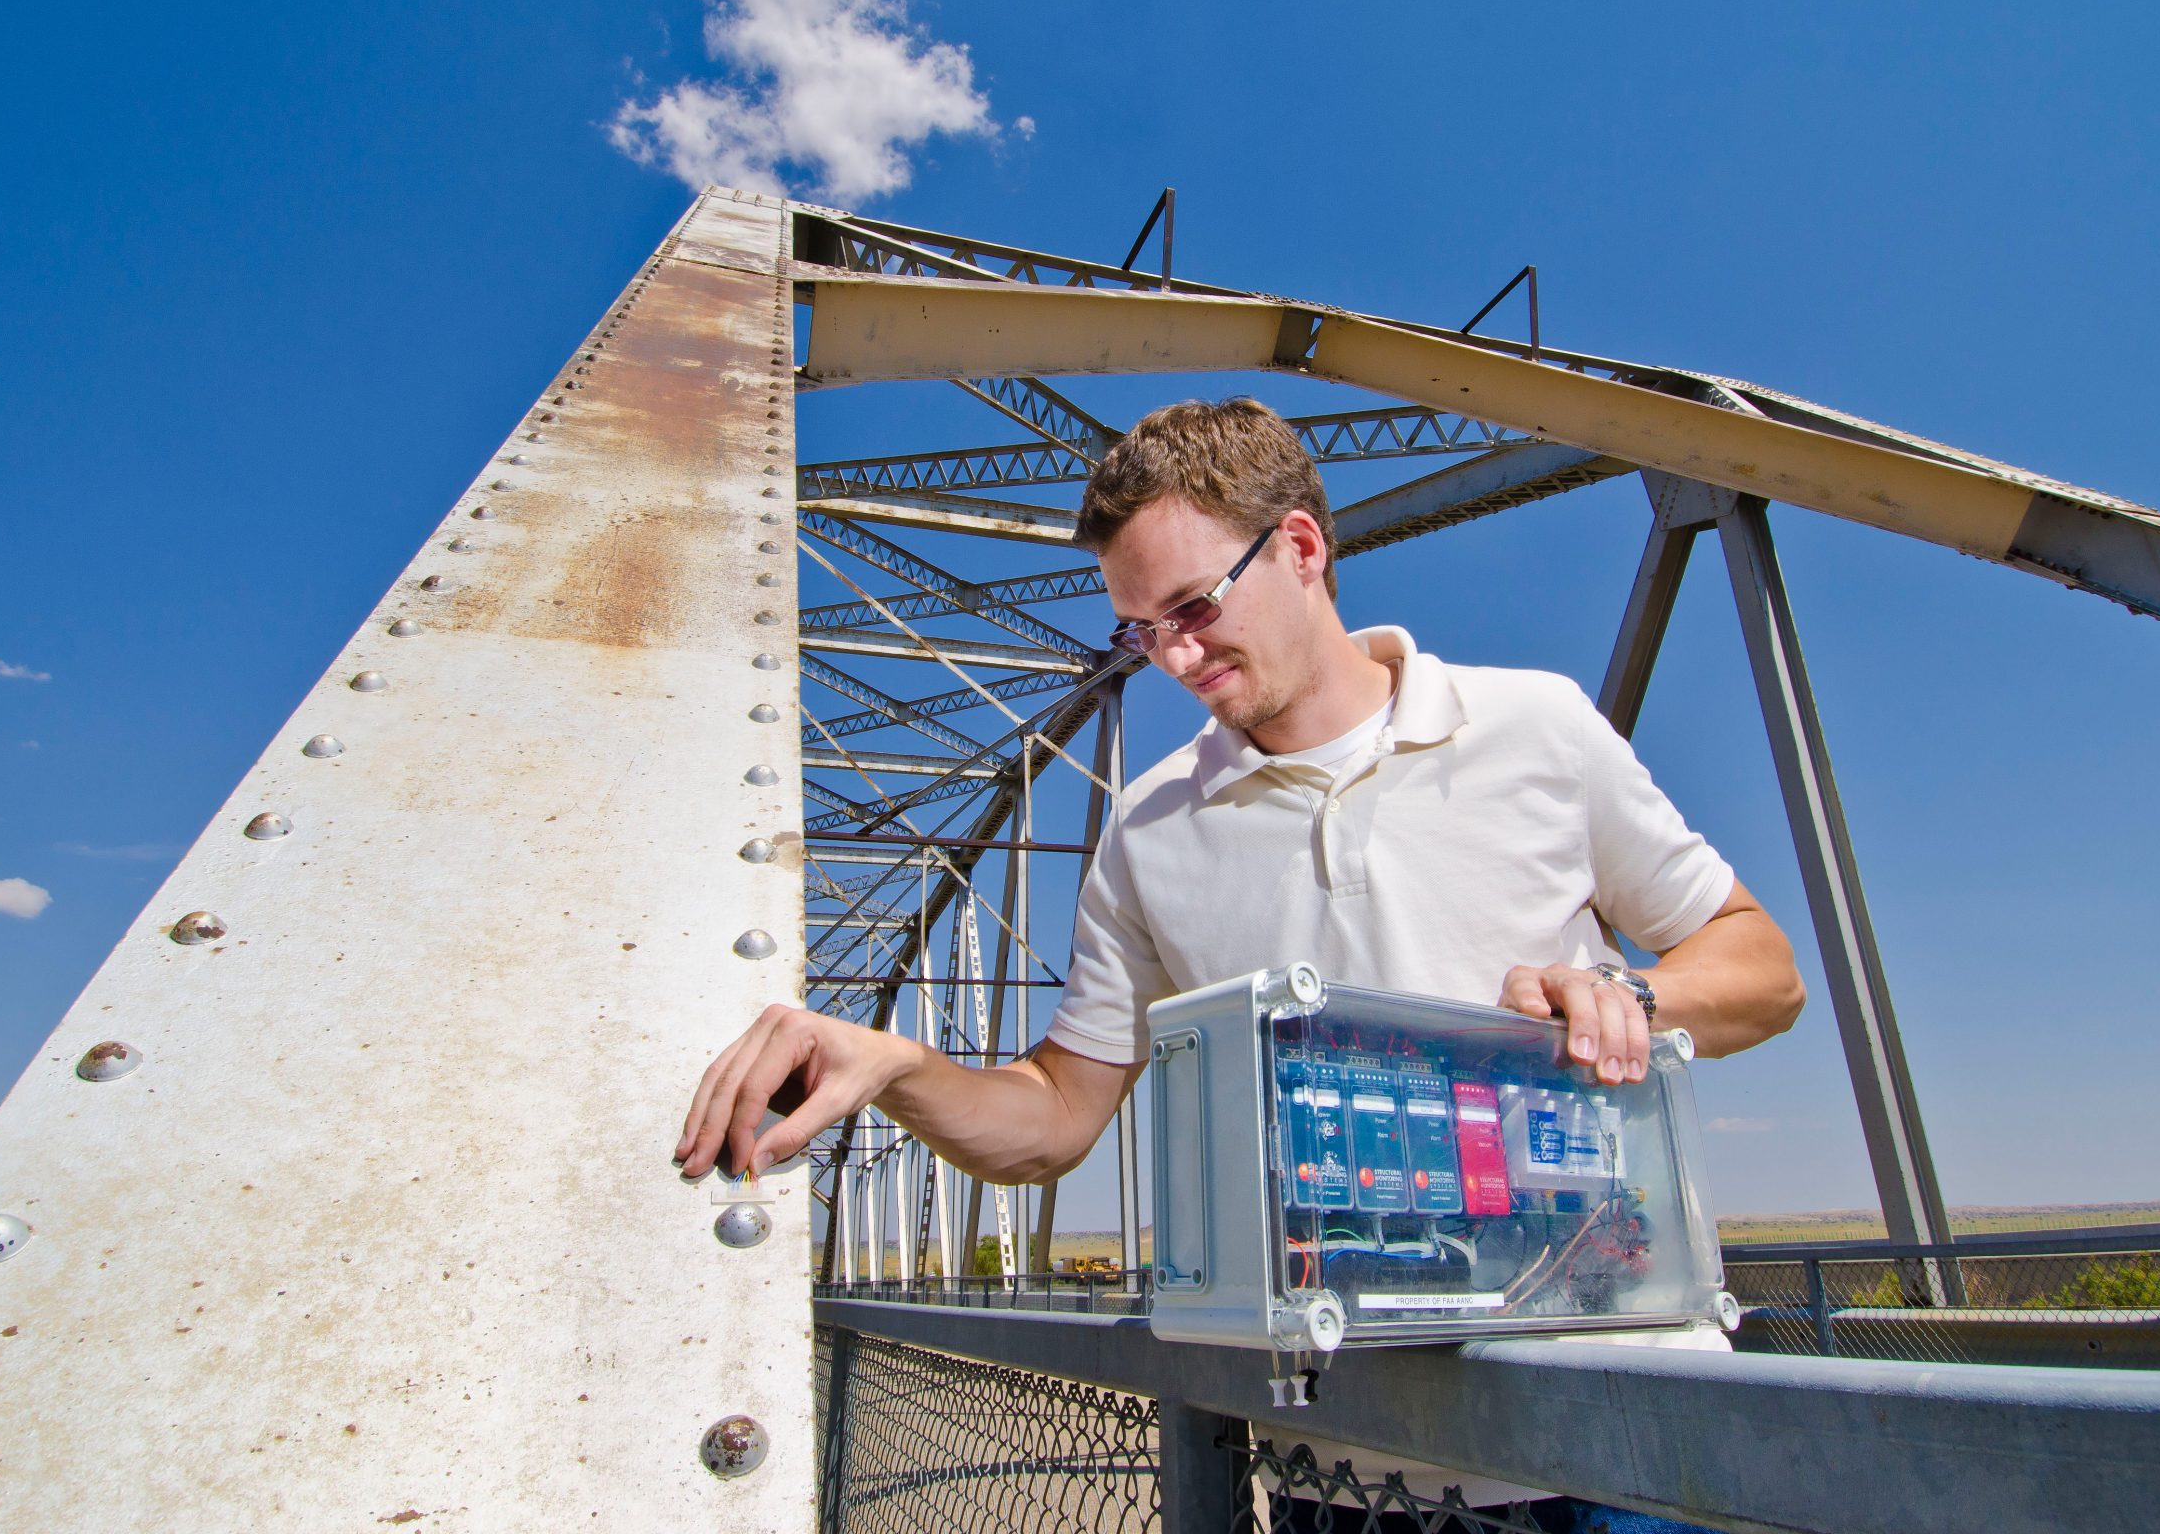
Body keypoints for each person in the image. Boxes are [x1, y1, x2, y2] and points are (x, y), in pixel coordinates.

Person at [679, 397, 1806, 1531]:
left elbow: (1762, 968)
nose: (1172, 654)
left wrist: (1630, 996)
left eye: (1193, 606)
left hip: (1619, 1425)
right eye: (1138, 630)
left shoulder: (1535, 727)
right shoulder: (1151, 830)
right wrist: (893, 1064)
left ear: (1303, 548)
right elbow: (1059, 1114)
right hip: (1352, 1468)